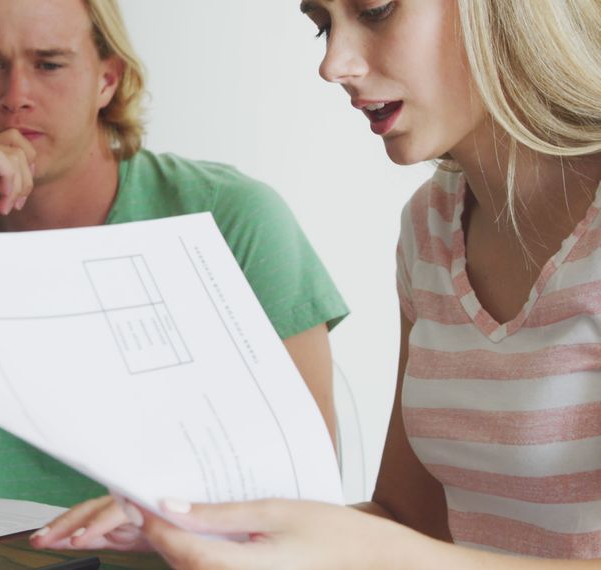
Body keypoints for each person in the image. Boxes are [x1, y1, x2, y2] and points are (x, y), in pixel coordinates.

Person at [32, 0, 601, 566]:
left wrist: (384, 556)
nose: (333, 64)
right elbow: (408, 523)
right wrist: (205, 524)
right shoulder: (431, 226)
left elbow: (396, 554)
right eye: (322, 26)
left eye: (375, 10)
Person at [0, 0, 348, 516]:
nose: (15, 94)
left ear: (108, 78)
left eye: (49, 64)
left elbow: (311, 498)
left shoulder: (231, 216)